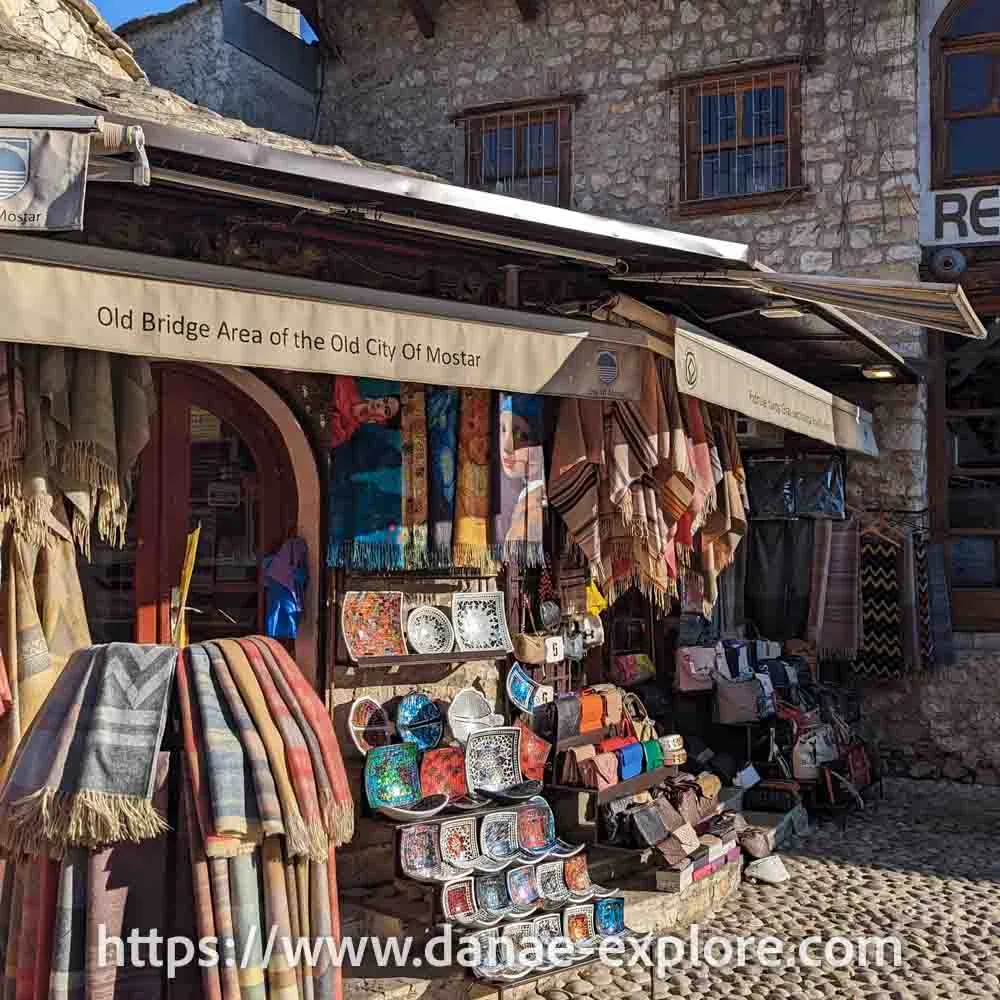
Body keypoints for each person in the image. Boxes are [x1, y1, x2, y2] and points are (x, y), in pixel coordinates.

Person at [329, 375, 401, 448]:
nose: (380, 404)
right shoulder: (347, 382)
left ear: (382, 422)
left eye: (386, 410)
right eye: (384, 400)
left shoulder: (342, 433)